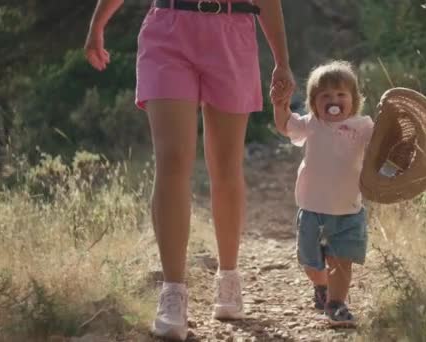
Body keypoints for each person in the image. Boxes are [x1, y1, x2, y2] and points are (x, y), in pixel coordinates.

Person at [84, 0, 295, 340]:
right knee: (171, 159)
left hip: (232, 27)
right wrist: (97, 24)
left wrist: (282, 62)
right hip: (167, 28)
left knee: (226, 166)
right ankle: (173, 293)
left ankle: (228, 278)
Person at [270, 60, 373, 327]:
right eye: (325, 96)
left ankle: (337, 304)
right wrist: (279, 104)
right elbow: (285, 126)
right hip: (312, 208)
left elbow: (380, 149)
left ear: (354, 100)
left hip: (348, 209)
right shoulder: (311, 124)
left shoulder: (363, 128)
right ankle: (321, 287)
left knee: (342, 261)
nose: (333, 100)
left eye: (341, 95)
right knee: (311, 262)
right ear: (314, 102)